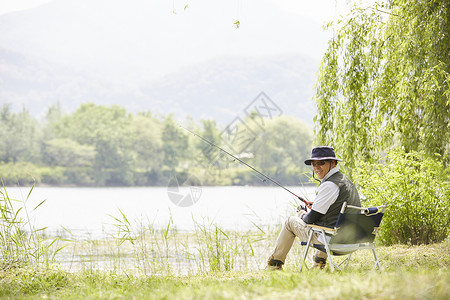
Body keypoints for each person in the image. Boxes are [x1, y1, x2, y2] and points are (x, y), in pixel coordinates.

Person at [267, 146, 361, 270]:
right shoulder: (346, 181)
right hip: (352, 240)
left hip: (335, 243)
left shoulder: (329, 185)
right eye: (313, 163)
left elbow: (309, 220)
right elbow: (337, 209)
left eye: (321, 163)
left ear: (333, 163)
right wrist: (316, 205)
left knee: (290, 222)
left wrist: (301, 214)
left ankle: (274, 265)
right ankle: (318, 265)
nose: (316, 167)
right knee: (324, 228)